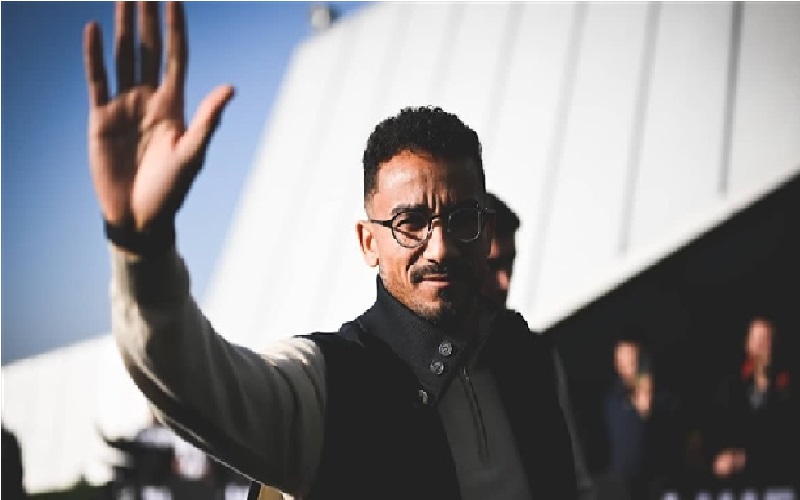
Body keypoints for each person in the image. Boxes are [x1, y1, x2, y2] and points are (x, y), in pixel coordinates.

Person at [83, 3, 576, 499]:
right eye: (410, 223)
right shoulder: (326, 384)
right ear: (368, 242)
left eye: (462, 219)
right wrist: (141, 246)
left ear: (486, 230)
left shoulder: (529, 358)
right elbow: (196, 386)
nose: (441, 247)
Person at [481, 192, 595, 499]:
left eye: (510, 263)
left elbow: (575, 477)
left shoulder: (537, 355)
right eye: (492, 266)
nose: (505, 282)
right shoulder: (429, 367)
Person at [708, 317, 797, 487]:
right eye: (760, 341)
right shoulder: (731, 388)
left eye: (769, 340)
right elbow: (716, 432)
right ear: (748, 345)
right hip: (738, 486)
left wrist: (746, 458)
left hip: (780, 482)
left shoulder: (789, 390)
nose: (766, 347)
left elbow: (787, 442)